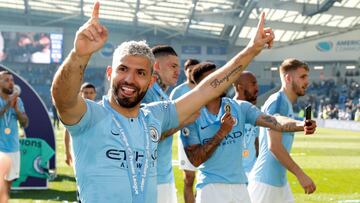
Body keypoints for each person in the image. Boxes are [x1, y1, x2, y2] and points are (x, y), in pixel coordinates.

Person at [50, 1, 275, 202]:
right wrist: (79, 55)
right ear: (110, 73)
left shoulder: (155, 115)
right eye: (123, 69)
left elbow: (208, 88)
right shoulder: (90, 116)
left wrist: (252, 49)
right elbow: (63, 98)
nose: (129, 78)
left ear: (150, 81)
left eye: (140, 73)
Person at [180, 62, 316, 203]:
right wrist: (221, 132)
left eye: (219, 76)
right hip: (211, 188)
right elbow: (195, 159)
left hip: (240, 187)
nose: (220, 80)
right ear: (202, 86)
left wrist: (300, 124)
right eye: (213, 78)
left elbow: (273, 121)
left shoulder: (240, 107)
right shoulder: (192, 116)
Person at [248, 59, 317, 203]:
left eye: (307, 77)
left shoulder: (286, 102)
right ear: (288, 78)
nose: (307, 82)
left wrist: (301, 125)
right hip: (265, 183)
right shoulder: (277, 101)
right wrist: (300, 175)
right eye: (302, 77)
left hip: (279, 182)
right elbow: (275, 145)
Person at [141, 45, 181, 203]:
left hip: (164, 175)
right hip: (152, 179)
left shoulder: (162, 95)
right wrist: (183, 120)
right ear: (156, 65)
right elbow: (150, 135)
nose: (178, 71)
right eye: (173, 66)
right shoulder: (148, 92)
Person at [169, 58, 200, 203]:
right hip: (187, 140)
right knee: (189, 179)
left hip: (209, 138)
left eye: (196, 69)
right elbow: (169, 115)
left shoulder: (207, 89)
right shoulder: (178, 91)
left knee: (207, 177)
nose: (193, 72)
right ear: (185, 71)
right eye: (190, 69)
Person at [0, 70, 29, 197]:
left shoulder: (18, 101)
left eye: (12, 80)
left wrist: (17, 110)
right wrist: (8, 105)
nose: (10, 83)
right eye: (6, 80)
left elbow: (25, 123)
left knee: (8, 185)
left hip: (13, 148)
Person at [233, 71, 259, 178]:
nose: (257, 88)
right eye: (253, 84)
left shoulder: (255, 111)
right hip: (234, 176)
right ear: (240, 87)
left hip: (253, 175)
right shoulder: (228, 110)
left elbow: (256, 142)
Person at [64, 82, 97, 166]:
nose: (88, 95)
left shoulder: (100, 111)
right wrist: (67, 152)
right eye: (86, 93)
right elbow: (67, 132)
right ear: (80, 93)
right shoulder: (74, 111)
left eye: (91, 93)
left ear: (95, 94)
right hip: (79, 150)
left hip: (96, 151)